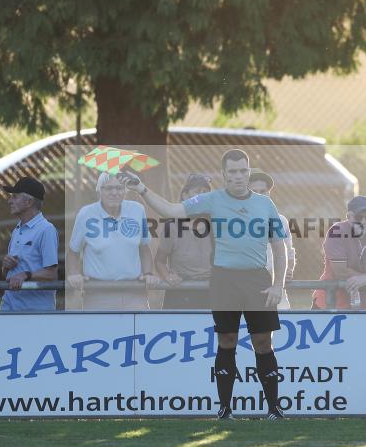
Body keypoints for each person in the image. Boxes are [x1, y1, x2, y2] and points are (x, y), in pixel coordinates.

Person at [121, 149, 288, 420]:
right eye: (232, 172)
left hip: (257, 279)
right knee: (227, 341)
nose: (238, 176)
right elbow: (171, 210)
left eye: (243, 171)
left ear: (248, 171)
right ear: (223, 175)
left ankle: (274, 409)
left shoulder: (265, 204)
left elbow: (279, 248)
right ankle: (225, 410)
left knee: (262, 343)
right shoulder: (211, 199)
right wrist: (141, 188)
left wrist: (278, 284)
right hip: (224, 279)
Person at [67, 172, 159, 310]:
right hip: (98, 293)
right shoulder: (86, 214)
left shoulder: (137, 210)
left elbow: (144, 248)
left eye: (119, 188)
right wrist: (73, 274)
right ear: (99, 190)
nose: (114, 192)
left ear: (125, 190)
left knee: (138, 331)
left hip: (134, 292)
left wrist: (148, 274)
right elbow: (73, 251)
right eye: (108, 188)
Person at [312, 195, 366, 310]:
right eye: (359, 216)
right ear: (349, 216)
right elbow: (340, 271)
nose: (363, 222)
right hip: (329, 304)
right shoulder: (336, 231)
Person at [155, 173, 214, 309]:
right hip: (181, 292)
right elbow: (160, 261)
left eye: (205, 192)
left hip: (211, 291)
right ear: (185, 195)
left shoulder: (216, 225)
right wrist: (168, 276)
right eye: (197, 191)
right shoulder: (173, 226)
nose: (201, 196)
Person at [0, 177, 59, 311]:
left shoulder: (46, 229)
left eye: (14, 197)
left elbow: (51, 274)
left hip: (35, 313)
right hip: (9, 308)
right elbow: (8, 276)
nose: (9, 201)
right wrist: (5, 267)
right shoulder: (17, 229)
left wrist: (26, 275)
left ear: (29, 202)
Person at [248, 169, 296, 310]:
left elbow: (289, 253)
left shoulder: (281, 221)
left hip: (276, 290)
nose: (259, 195)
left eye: (263, 191)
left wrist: (289, 270)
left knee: (279, 328)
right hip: (247, 288)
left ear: (269, 193)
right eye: (254, 191)